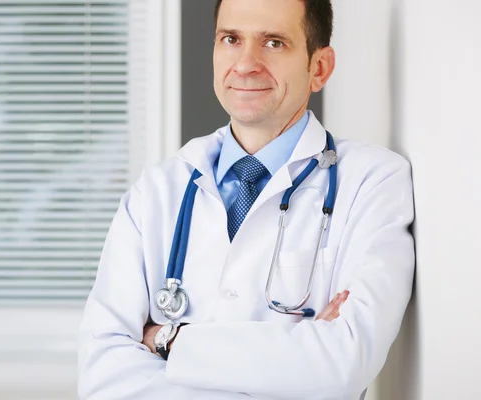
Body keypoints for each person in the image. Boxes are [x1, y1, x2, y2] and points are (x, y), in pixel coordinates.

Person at [77, 0, 415, 398]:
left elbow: (342, 365)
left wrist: (167, 340)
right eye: (231, 39)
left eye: (273, 42)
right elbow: (103, 377)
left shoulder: (372, 182)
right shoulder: (156, 192)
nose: (245, 64)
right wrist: (296, 357)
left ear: (319, 68)